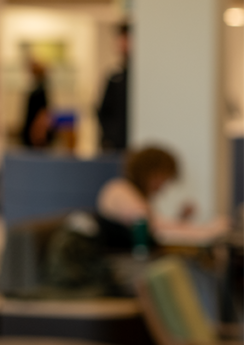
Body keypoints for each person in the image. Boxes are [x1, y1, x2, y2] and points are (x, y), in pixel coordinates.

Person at [96, 145, 228, 249]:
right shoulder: (120, 190)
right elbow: (155, 230)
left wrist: (182, 220)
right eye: (163, 178)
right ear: (149, 172)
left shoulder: (132, 193)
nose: (162, 187)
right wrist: (207, 233)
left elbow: (155, 226)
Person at [97, 23, 130, 150]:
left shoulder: (142, 77)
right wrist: (110, 138)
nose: (121, 44)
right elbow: (104, 111)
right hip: (117, 145)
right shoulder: (116, 76)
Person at [21, 60, 52, 148]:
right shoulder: (38, 89)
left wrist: (38, 134)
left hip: (34, 134)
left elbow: (42, 115)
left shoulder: (40, 91)